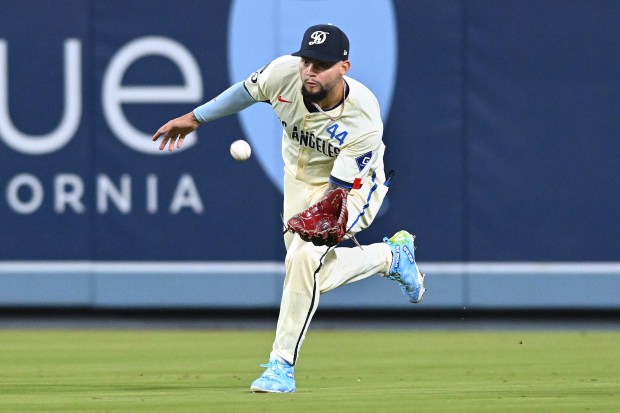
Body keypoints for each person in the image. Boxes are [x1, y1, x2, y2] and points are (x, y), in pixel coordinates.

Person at [152, 24, 426, 393]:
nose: (310, 70)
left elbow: (335, 198)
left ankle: (281, 366)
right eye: (307, 61)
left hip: (354, 187)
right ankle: (389, 258)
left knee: (302, 260)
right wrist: (195, 117)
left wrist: (317, 226)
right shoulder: (283, 73)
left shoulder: (363, 117)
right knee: (309, 271)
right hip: (299, 176)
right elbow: (245, 92)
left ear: (343, 68)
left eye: (322, 64)